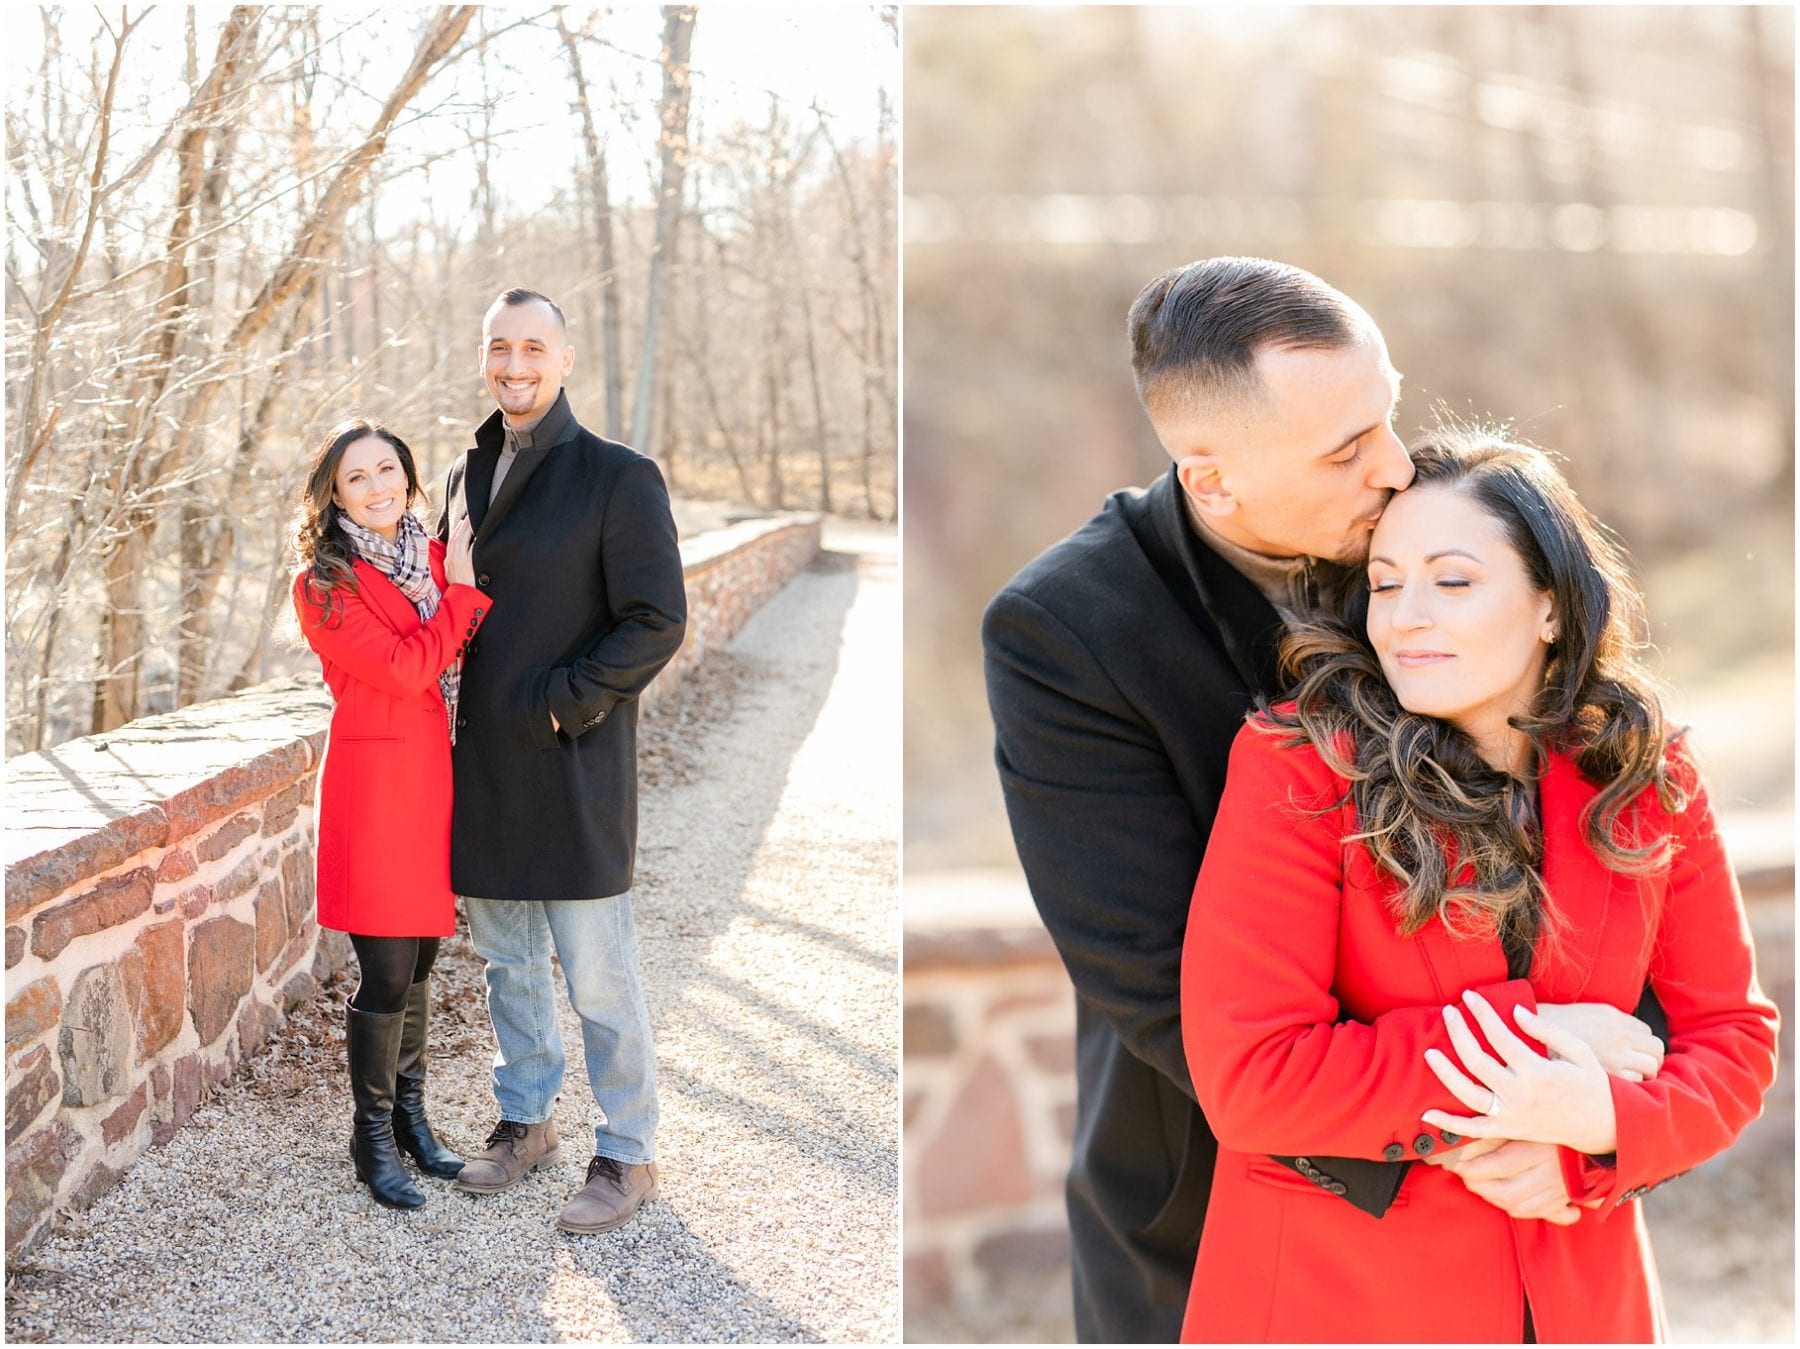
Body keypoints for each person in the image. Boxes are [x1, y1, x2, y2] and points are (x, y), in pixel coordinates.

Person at [983, 257, 1668, 1341]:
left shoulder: (1431, 537)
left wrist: (1590, 1108)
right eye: (1347, 449)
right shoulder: (1064, 632)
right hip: (1219, 1191)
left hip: (1526, 1179)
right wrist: (1523, 1073)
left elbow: (1590, 811)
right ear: (1212, 478)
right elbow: (1154, 978)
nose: (1396, 467)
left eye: (1386, 414)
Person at [1179, 428, 1779, 1342]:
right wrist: (1533, 1047)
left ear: (1548, 605)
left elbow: (1731, 1039)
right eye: (1385, 582)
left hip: (1583, 1295)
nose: (1405, 615)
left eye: (1452, 581)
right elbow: (1253, 1074)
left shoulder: (1646, 770)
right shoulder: (1299, 764)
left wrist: (1601, 1129)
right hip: (1337, 1297)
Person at [437, 287, 687, 1235]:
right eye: (499, 346)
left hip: (573, 762)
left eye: (533, 347)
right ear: (483, 355)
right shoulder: (463, 474)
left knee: (599, 977)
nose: (515, 364)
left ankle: (627, 1150)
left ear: (565, 360)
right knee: (508, 963)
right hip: (483, 772)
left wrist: (558, 703)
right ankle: (528, 1119)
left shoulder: (620, 477)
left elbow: (655, 620)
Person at [291, 418, 490, 1209]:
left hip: (438, 785)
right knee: (383, 971)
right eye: (356, 478)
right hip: (375, 793)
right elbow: (410, 668)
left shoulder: (435, 559)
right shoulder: (323, 585)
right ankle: (369, 1135)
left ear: (410, 480)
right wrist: (467, 595)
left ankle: (411, 1118)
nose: (376, 488)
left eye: (388, 471)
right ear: (334, 495)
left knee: (424, 964)